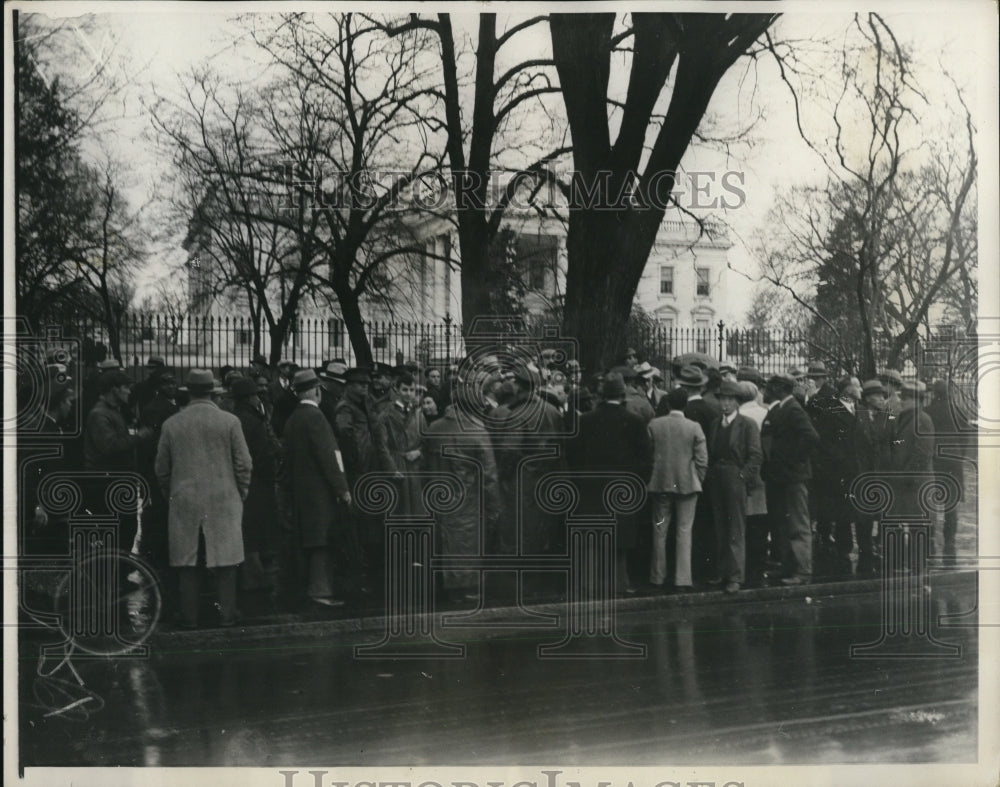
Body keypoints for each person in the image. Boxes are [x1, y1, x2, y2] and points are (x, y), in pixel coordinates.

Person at [155, 369, 252, 628]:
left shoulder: (172, 424)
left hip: (184, 499)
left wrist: (171, 493)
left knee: (187, 561)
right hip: (224, 497)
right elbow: (244, 464)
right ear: (213, 392)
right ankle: (227, 615)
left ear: (188, 392)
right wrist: (239, 492)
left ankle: (190, 617)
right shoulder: (230, 422)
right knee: (226, 561)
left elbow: (161, 468)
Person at [570, 372, 653, 595]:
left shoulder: (585, 420)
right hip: (622, 489)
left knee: (591, 539)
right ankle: (618, 585)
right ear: (622, 395)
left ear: (602, 396)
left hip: (591, 489)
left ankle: (587, 586)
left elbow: (573, 456)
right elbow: (646, 459)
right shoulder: (634, 421)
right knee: (619, 542)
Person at [423, 377, 501, 603]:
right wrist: (494, 507)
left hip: (439, 496)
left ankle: (442, 586)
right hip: (468, 499)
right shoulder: (478, 431)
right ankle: (464, 589)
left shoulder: (434, 428)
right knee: (467, 543)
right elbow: (490, 475)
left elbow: (426, 466)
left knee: (443, 540)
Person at [281, 369, 354, 607]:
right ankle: (320, 591)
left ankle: (313, 589)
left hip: (301, 492)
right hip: (320, 493)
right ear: (315, 391)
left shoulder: (292, 419)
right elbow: (330, 457)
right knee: (322, 541)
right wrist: (342, 488)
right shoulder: (316, 417)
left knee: (310, 541)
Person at [491, 363, 568, 555]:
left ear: (518, 385)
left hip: (523, 479)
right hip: (548, 475)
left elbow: (510, 450)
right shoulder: (552, 411)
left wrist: (503, 475)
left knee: (519, 525)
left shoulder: (518, 414)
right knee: (543, 523)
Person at [760, 373, 820, 586]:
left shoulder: (793, 409)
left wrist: (794, 461)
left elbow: (811, 437)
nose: (765, 391)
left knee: (797, 523)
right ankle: (788, 567)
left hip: (792, 478)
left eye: (769, 387)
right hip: (780, 478)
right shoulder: (780, 409)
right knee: (782, 524)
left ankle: (803, 571)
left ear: (779, 389)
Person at [83, 370, 154, 552]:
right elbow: (109, 446)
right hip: (107, 482)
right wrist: (139, 437)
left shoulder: (113, 411)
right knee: (117, 531)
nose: (129, 392)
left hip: (116, 480)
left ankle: (119, 574)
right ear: (114, 390)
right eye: (126, 388)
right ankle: (114, 576)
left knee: (126, 529)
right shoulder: (100, 414)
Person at [647, 387, 708, 593]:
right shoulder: (694, 427)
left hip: (660, 483)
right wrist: (696, 479)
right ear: (685, 404)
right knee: (684, 531)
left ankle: (657, 577)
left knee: (659, 531)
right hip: (687, 484)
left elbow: (648, 454)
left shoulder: (655, 425)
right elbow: (702, 459)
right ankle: (683, 579)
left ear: (668, 403)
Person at [705, 380, 762, 594]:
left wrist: (741, 476)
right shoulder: (714, 424)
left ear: (738, 402)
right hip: (716, 478)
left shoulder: (747, 424)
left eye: (730, 400)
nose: (725, 404)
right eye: (722, 399)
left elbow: (756, 455)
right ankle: (722, 571)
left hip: (734, 477)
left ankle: (736, 576)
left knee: (736, 527)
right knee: (720, 526)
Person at [230, 376, 281, 592]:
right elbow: (263, 455)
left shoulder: (234, 418)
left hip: (242, 483)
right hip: (259, 483)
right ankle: (257, 582)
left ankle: (252, 578)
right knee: (258, 532)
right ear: (251, 397)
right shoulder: (253, 420)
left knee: (248, 530)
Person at [810, 375, 864, 578]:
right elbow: (824, 442)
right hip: (838, 470)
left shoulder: (859, 409)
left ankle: (841, 546)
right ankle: (841, 548)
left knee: (848, 510)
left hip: (855, 470)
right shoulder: (831, 410)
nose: (860, 388)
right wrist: (840, 460)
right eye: (856, 385)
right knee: (840, 511)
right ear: (847, 389)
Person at [924, 379, 970, 564]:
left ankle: (930, 538)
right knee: (951, 505)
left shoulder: (927, 411)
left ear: (934, 393)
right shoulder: (959, 411)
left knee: (930, 502)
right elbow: (965, 439)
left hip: (934, 460)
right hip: (953, 462)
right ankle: (949, 541)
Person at [736, 380, 771, 586]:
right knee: (760, 519)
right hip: (763, 473)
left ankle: (747, 565)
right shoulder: (764, 412)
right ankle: (759, 564)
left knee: (745, 520)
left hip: (745, 472)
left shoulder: (740, 418)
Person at [856, 378, 892, 576]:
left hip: (883, 475)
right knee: (864, 518)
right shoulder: (858, 415)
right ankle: (865, 554)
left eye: (882, 396)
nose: (881, 399)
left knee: (884, 516)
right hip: (864, 475)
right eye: (878, 395)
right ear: (868, 398)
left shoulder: (886, 417)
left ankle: (882, 550)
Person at [379, 372, 424, 517]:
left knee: (417, 508)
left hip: (415, 465)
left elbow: (428, 441)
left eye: (412, 390)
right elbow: (381, 445)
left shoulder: (418, 414)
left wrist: (419, 452)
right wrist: (391, 469)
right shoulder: (386, 415)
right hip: (398, 464)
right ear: (397, 390)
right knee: (400, 509)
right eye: (405, 390)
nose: (409, 394)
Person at [268, 359, 299, 436]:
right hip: (278, 423)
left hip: (292, 422)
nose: (289, 370)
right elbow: (270, 405)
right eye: (286, 368)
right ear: (281, 369)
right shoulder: (272, 386)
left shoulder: (294, 385)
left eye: (289, 368)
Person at [318, 359, 348, 430]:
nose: (343, 388)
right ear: (331, 382)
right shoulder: (320, 399)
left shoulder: (334, 397)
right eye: (341, 385)